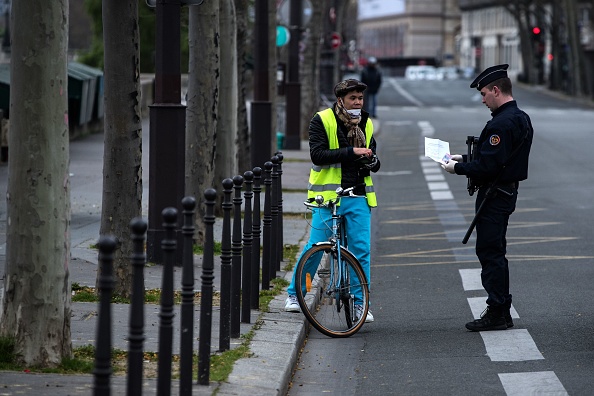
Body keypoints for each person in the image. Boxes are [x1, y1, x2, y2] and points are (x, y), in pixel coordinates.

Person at [442, 64, 533, 331]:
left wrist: (457, 167)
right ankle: (501, 309)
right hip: (505, 191)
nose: (482, 99)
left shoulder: (501, 123)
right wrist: (465, 157)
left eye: (484, 94)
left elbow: (490, 167)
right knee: (494, 251)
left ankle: (497, 312)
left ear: (496, 90)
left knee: (490, 252)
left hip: (496, 194)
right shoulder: (519, 117)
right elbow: (501, 159)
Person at [284, 78, 381, 323]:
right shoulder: (322, 120)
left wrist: (372, 161)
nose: (358, 103)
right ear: (341, 100)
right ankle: (296, 294)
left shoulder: (366, 123)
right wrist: (352, 152)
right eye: (353, 99)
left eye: (360, 98)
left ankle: (361, 304)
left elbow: (374, 158)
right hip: (328, 197)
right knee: (315, 247)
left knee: (361, 251)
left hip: (358, 194)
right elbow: (317, 155)